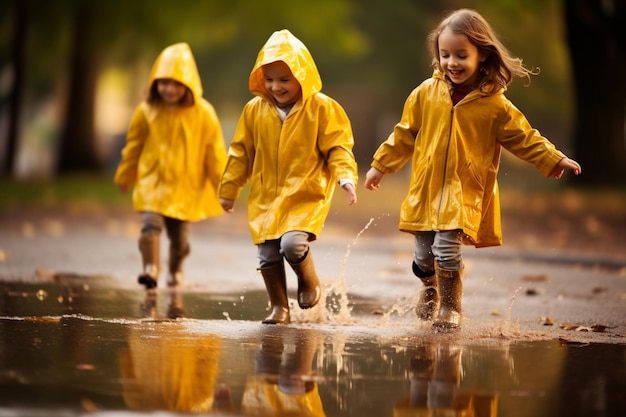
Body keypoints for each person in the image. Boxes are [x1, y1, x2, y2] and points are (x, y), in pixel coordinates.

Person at [364, 9, 581, 330]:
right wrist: (380, 166)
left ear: (482, 55)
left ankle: (451, 308)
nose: (452, 62)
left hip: (463, 190)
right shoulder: (425, 93)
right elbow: (404, 134)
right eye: (445, 54)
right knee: (424, 258)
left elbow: (524, 136)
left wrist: (552, 158)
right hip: (426, 188)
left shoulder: (495, 104)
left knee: (446, 249)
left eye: (461, 55)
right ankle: (430, 288)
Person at [219, 29, 358, 325]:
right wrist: (230, 188)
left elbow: (338, 147)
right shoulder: (254, 110)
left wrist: (345, 176)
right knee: (267, 254)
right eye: (269, 79)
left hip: (305, 193)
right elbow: (241, 152)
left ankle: (309, 281)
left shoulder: (322, 108)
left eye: (284, 79)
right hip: (266, 195)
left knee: (291, 245)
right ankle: (279, 307)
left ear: (302, 76)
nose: (276, 86)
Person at [114, 42, 227, 289]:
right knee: (149, 226)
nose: (170, 89)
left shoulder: (204, 114)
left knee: (180, 239)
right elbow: (133, 145)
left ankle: (175, 270)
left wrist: (224, 186)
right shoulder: (146, 111)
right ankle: (150, 269)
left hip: (184, 187)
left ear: (188, 85)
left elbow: (214, 152)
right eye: (164, 83)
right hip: (152, 181)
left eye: (177, 84)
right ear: (155, 82)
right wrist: (126, 173)